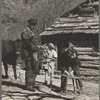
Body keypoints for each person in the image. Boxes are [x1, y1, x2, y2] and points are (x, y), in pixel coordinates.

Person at [21, 18, 39, 91]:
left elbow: (32, 44)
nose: (33, 27)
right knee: (29, 69)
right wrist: (35, 48)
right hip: (28, 54)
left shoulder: (30, 32)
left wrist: (36, 48)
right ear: (29, 24)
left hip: (32, 53)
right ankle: (28, 85)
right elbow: (27, 44)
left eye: (34, 25)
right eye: (32, 25)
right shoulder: (25, 33)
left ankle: (32, 82)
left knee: (36, 68)